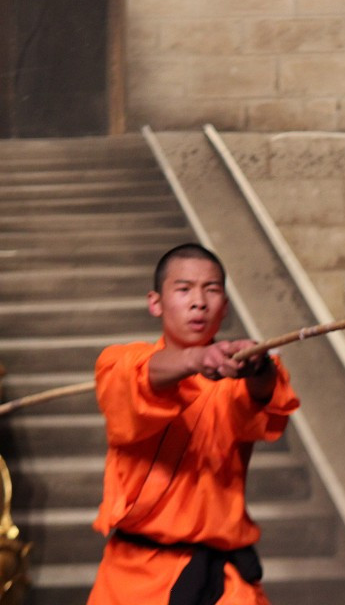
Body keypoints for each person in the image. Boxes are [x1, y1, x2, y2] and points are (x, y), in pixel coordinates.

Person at [88, 243, 300, 605]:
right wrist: (195, 359)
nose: (198, 301)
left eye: (212, 290)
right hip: (134, 578)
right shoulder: (120, 362)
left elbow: (262, 395)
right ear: (156, 302)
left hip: (226, 580)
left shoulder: (237, 377)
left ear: (225, 307)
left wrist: (259, 366)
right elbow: (142, 377)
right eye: (184, 289)